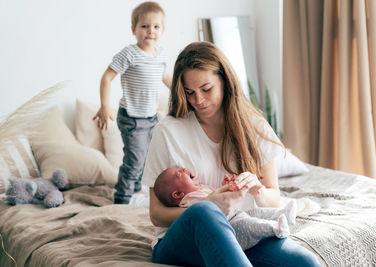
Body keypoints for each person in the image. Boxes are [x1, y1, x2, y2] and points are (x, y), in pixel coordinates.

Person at [141, 41, 321, 266]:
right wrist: (210, 206)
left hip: (241, 233)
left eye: (206, 89)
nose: (198, 100)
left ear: (225, 80)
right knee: (204, 211)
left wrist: (258, 190)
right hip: (181, 240)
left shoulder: (255, 126)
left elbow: (274, 198)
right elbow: (156, 214)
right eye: (190, 93)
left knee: (305, 263)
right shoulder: (168, 131)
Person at [92, 2, 172, 204]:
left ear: (163, 30)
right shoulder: (129, 53)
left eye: (156, 27)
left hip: (152, 117)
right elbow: (106, 78)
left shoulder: (160, 54)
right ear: (133, 30)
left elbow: (166, 79)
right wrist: (104, 106)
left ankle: (136, 190)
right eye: (144, 26)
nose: (150, 31)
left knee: (146, 158)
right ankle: (121, 198)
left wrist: (185, 94)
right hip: (132, 118)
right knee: (134, 160)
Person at [154, 167, 297, 250]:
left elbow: (218, 197)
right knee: (250, 225)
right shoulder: (187, 200)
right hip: (230, 226)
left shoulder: (202, 188)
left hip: (234, 215)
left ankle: (283, 214)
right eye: (180, 173)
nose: (184, 169)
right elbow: (201, 210)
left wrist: (225, 186)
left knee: (255, 213)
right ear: (178, 194)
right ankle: (274, 228)